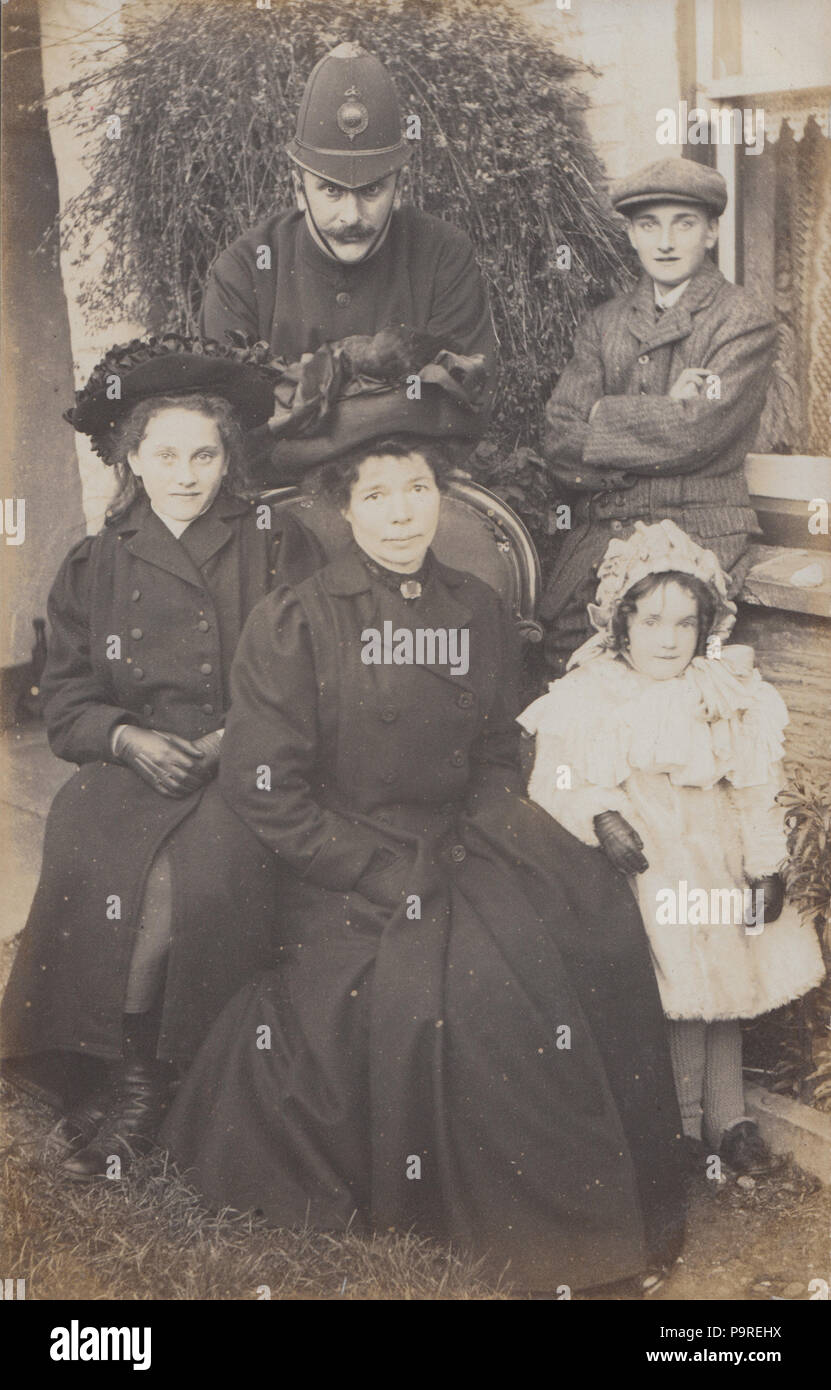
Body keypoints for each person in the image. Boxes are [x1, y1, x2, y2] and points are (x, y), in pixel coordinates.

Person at [161, 336, 686, 1295]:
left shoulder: (478, 608)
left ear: (439, 497)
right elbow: (265, 791)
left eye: (416, 490)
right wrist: (379, 868)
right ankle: (555, 1240)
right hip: (345, 869)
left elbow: (492, 756)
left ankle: (626, 1202)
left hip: (465, 836)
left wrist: (504, 838)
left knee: (593, 925)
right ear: (340, 508)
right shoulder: (297, 622)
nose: (401, 513)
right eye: (376, 495)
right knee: (479, 989)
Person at [0, 335, 323, 1180]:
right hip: (129, 766)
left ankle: (147, 1082)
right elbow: (63, 699)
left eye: (205, 455)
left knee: (195, 869)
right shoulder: (94, 562)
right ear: (133, 456)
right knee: (90, 840)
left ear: (228, 460)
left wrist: (224, 744)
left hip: (248, 760)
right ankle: (102, 1066)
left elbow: (312, 675)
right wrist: (124, 737)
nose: (186, 473)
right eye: (166, 453)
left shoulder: (276, 544)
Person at [519, 520, 825, 1175]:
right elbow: (559, 776)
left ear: (705, 628)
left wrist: (764, 864)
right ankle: (681, 1128)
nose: (667, 638)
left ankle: (730, 1118)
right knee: (681, 995)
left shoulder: (718, 689)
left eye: (684, 624)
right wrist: (599, 815)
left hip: (715, 860)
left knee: (726, 992)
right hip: (650, 866)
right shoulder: (590, 694)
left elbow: (752, 784)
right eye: (651, 621)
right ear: (619, 622)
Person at [540, 157, 777, 674]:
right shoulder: (604, 324)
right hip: (605, 532)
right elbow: (558, 440)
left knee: (666, 673)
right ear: (630, 234)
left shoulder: (743, 319)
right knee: (567, 664)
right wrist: (665, 408)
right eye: (649, 225)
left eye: (684, 223)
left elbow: (698, 432)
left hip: (697, 531)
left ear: (712, 231)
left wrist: (603, 412)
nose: (665, 242)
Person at [199, 44, 496, 398]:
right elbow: (225, 413)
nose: (352, 216)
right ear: (298, 189)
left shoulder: (445, 257)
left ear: (399, 187)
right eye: (331, 190)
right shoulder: (245, 269)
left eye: (372, 190)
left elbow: (465, 400)